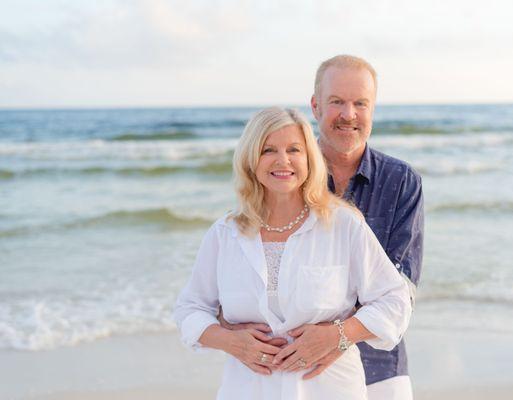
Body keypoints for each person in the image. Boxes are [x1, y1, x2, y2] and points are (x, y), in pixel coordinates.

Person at [220, 55, 424, 400]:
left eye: (360, 103)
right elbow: (248, 266)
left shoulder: (402, 181)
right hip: (292, 373)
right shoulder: (284, 173)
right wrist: (229, 327)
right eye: (337, 102)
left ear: (373, 108)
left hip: (381, 365)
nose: (349, 114)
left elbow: (401, 286)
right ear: (315, 106)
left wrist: (338, 338)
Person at [174, 107, 412, 399]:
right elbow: (190, 309)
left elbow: (395, 300)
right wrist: (231, 342)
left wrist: (339, 335)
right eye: (268, 150)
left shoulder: (343, 225)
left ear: (309, 159)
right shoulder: (225, 234)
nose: (283, 160)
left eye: (294, 149)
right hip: (247, 390)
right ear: (251, 159)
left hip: (330, 390)